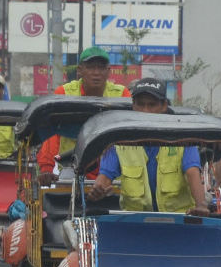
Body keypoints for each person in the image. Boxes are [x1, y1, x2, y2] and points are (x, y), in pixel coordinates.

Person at [84, 77, 210, 215]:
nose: (145, 110)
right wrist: (99, 189)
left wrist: (201, 206)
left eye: (152, 105)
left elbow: (192, 173)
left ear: (163, 106)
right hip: (134, 222)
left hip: (177, 221)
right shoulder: (120, 141)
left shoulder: (183, 139)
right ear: (133, 105)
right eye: (140, 104)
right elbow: (105, 176)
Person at [36, 47, 130, 181]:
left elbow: (128, 136)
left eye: (101, 68)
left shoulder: (122, 94)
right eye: (91, 67)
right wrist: (46, 167)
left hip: (113, 169)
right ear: (80, 70)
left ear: (108, 71)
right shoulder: (64, 93)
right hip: (71, 166)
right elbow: (52, 134)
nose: (96, 73)